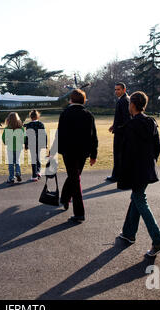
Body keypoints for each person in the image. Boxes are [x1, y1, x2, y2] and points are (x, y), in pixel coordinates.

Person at [117, 91, 160, 257]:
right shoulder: (151, 122)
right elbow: (157, 148)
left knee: (139, 199)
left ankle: (158, 239)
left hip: (136, 169)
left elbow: (127, 153)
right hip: (147, 168)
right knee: (137, 198)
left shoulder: (131, 126)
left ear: (132, 105)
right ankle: (128, 232)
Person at [57, 89, 98, 223]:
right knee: (75, 177)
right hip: (82, 152)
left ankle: (79, 212)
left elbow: (60, 134)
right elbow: (94, 137)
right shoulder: (88, 115)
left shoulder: (65, 114)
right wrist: (93, 154)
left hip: (68, 151)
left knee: (74, 179)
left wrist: (58, 150)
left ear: (71, 100)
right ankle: (64, 198)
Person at [107, 82, 131, 182]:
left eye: (118, 89)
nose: (116, 91)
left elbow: (127, 118)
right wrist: (114, 125)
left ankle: (116, 176)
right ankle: (118, 175)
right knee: (120, 154)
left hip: (122, 133)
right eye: (115, 89)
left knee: (118, 154)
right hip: (121, 131)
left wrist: (118, 128)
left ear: (124, 90)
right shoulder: (124, 99)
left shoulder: (124, 101)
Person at [24, 110, 47, 181]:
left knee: (34, 159)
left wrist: (26, 145)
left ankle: (34, 175)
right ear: (38, 116)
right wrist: (45, 144)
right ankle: (38, 172)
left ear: (31, 117)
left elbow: (27, 136)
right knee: (38, 157)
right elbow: (44, 135)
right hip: (39, 143)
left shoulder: (29, 125)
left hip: (32, 144)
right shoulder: (41, 124)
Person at [2, 112, 25, 184]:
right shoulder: (21, 129)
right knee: (17, 161)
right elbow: (24, 138)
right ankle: (18, 172)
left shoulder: (7, 129)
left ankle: (11, 178)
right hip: (18, 147)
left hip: (10, 147)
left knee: (11, 163)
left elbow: (3, 138)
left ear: (8, 120)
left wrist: (6, 142)